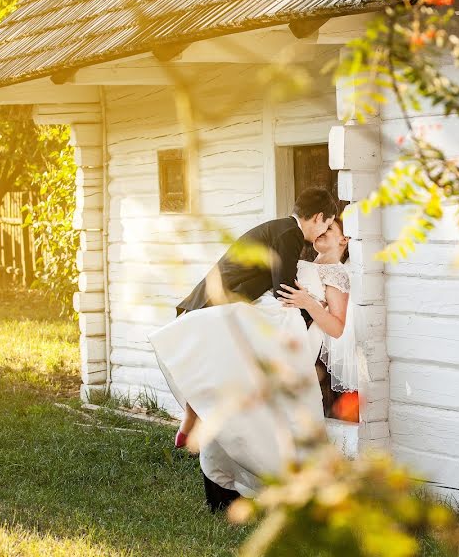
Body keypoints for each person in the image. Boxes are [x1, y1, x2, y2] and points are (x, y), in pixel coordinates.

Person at [147, 189, 351, 512]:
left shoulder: (325, 265)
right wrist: (302, 308)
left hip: (264, 330)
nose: (324, 233)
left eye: (332, 231)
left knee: (236, 399)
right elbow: (282, 287)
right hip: (235, 312)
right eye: (324, 226)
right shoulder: (289, 236)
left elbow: (326, 319)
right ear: (316, 219)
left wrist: (309, 307)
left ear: (345, 241)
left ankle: (251, 476)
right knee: (226, 390)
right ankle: (223, 478)